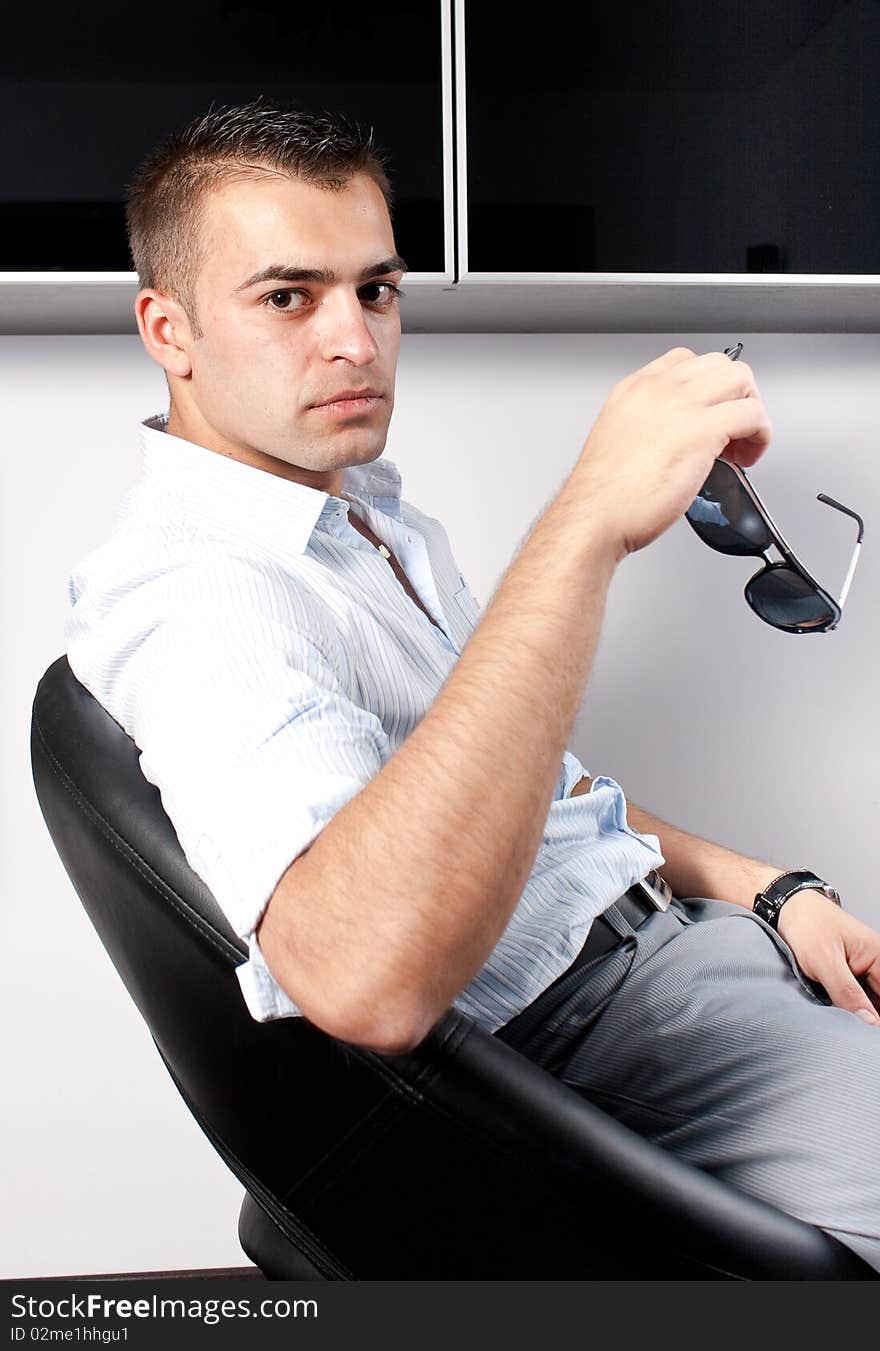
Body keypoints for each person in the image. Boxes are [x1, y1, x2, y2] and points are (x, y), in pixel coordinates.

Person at [65, 97, 880, 1273]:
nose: (354, 339)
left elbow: (526, 793)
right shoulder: (208, 597)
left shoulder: (357, 514)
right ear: (169, 328)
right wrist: (588, 519)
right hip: (611, 1034)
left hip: (677, 954)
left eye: (376, 290)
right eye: (288, 296)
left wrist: (766, 887)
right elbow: (364, 977)